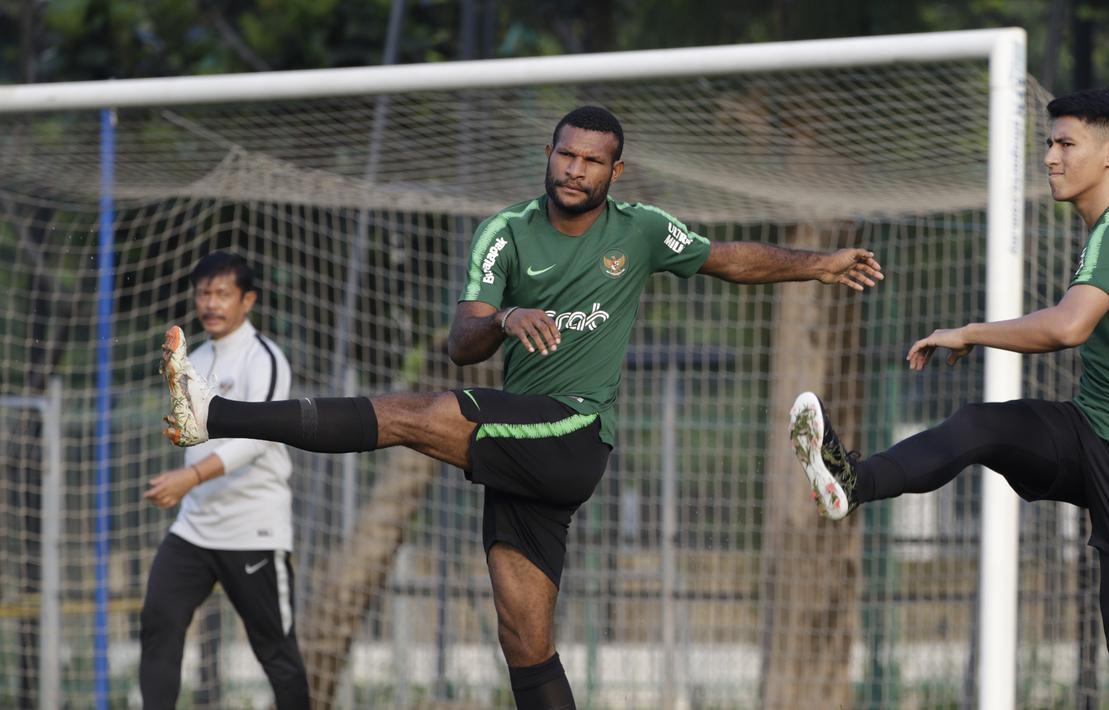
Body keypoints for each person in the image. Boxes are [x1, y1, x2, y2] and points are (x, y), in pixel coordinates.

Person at [160, 105, 883, 710]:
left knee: (411, 415)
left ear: (614, 171)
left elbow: (728, 258)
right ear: (549, 155)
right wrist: (503, 318)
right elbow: (461, 341)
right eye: (565, 155)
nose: (575, 170)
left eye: (592, 161)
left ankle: (214, 416)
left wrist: (817, 264)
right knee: (524, 640)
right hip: (517, 444)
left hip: (571, 431)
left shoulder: (637, 229)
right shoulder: (504, 232)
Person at [791, 88, 1109, 710]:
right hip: (1091, 428)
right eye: (1049, 142)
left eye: (1066, 143)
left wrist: (970, 331)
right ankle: (852, 481)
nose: (1050, 156)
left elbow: (1070, 327)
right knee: (978, 426)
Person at [141, 252, 308, 709]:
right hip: (195, 528)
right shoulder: (193, 358)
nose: (210, 304)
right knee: (159, 621)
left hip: (252, 529)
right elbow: (196, 431)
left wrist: (190, 475)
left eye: (222, 294)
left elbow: (257, 441)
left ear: (247, 299)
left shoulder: (266, 358)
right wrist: (180, 433)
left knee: (276, 651)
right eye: (203, 294)